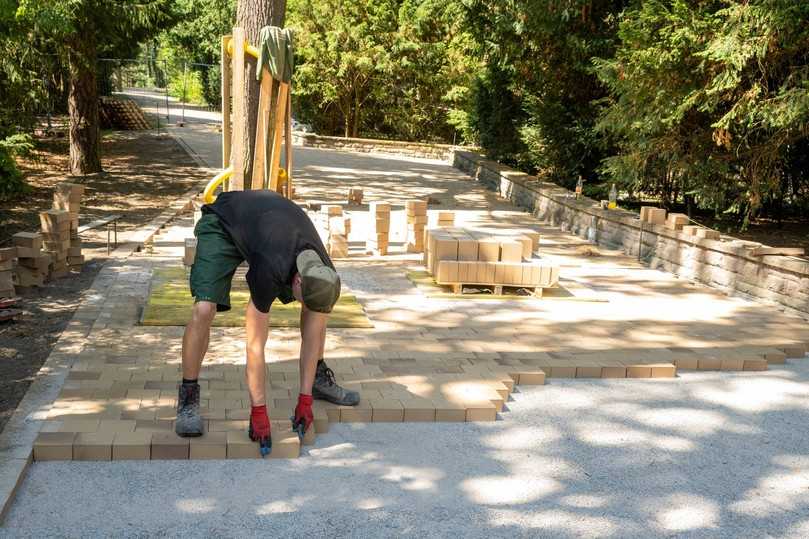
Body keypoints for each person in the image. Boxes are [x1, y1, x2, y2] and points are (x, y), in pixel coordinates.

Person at [174, 189, 359, 452]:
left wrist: (305, 399)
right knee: (204, 308)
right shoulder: (271, 266)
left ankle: (317, 380)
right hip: (224, 222)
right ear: (297, 281)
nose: (305, 306)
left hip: (266, 228)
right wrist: (258, 411)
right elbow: (254, 345)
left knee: (317, 313)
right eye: (303, 300)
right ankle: (188, 397)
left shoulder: (324, 275)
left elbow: (312, 334)